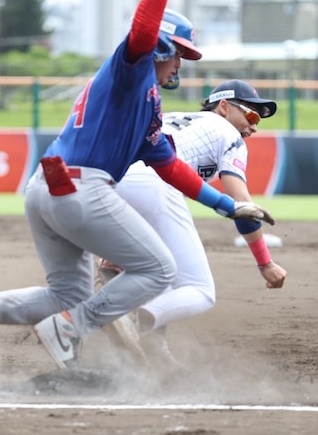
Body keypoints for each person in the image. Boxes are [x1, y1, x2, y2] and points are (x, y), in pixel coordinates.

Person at [0, 0, 275, 378]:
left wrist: (227, 206)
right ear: (163, 46)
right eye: (179, 54)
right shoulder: (132, 69)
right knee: (158, 269)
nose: (181, 64)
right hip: (81, 188)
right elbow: (144, 27)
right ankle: (71, 331)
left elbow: (172, 169)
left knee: (66, 292)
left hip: (46, 188)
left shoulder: (146, 103)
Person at [99, 79, 288, 367]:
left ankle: (149, 345)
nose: (254, 126)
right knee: (200, 291)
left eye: (259, 119)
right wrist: (265, 263)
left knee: (160, 270)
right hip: (152, 183)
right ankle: (131, 318)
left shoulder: (177, 119)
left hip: (110, 181)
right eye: (250, 114)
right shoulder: (228, 132)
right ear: (224, 107)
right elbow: (242, 206)